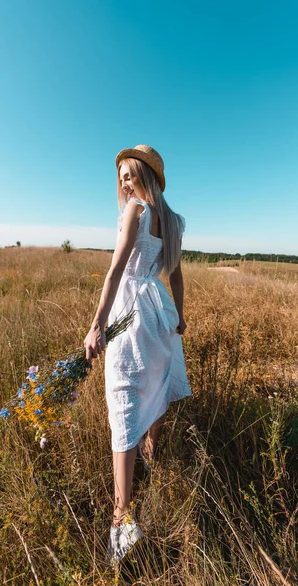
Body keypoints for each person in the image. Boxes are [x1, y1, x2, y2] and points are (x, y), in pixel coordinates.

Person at [83, 144, 191, 566]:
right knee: (157, 385)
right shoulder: (176, 221)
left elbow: (114, 271)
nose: (125, 183)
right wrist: (179, 317)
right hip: (160, 312)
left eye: (132, 174)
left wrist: (96, 325)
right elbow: (176, 275)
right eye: (122, 176)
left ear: (148, 176)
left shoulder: (137, 212)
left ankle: (121, 518)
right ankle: (149, 456)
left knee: (124, 399)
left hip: (132, 312)